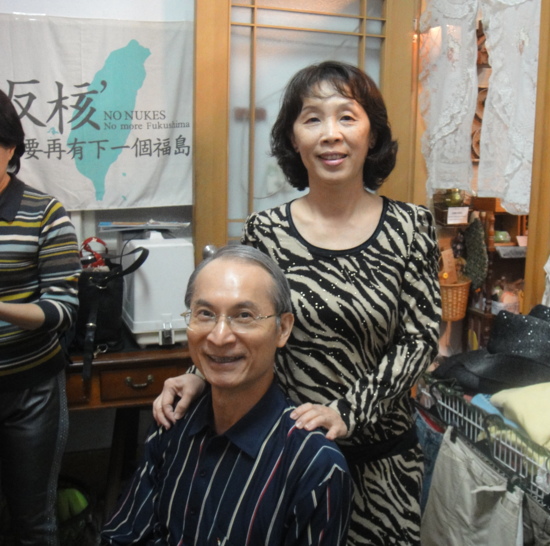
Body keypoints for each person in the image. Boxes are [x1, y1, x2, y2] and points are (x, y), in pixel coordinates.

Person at [153, 61, 442, 545]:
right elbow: (243, 321)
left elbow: (420, 339)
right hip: (287, 458)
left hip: (382, 465)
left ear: (372, 134)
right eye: (312, 119)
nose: (331, 134)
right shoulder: (266, 231)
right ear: (293, 138)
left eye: (347, 117)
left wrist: (347, 411)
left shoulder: (411, 227)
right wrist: (197, 374)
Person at [101, 245, 352, 545]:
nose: (219, 337)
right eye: (205, 314)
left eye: (244, 315)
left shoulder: (316, 466)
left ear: (283, 329)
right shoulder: (173, 420)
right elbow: (124, 535)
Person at [0, 89, 81, 545]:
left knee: (33, 521)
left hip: (30, 389)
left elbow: (61, 311)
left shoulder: (43, 213)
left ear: (10, 146)